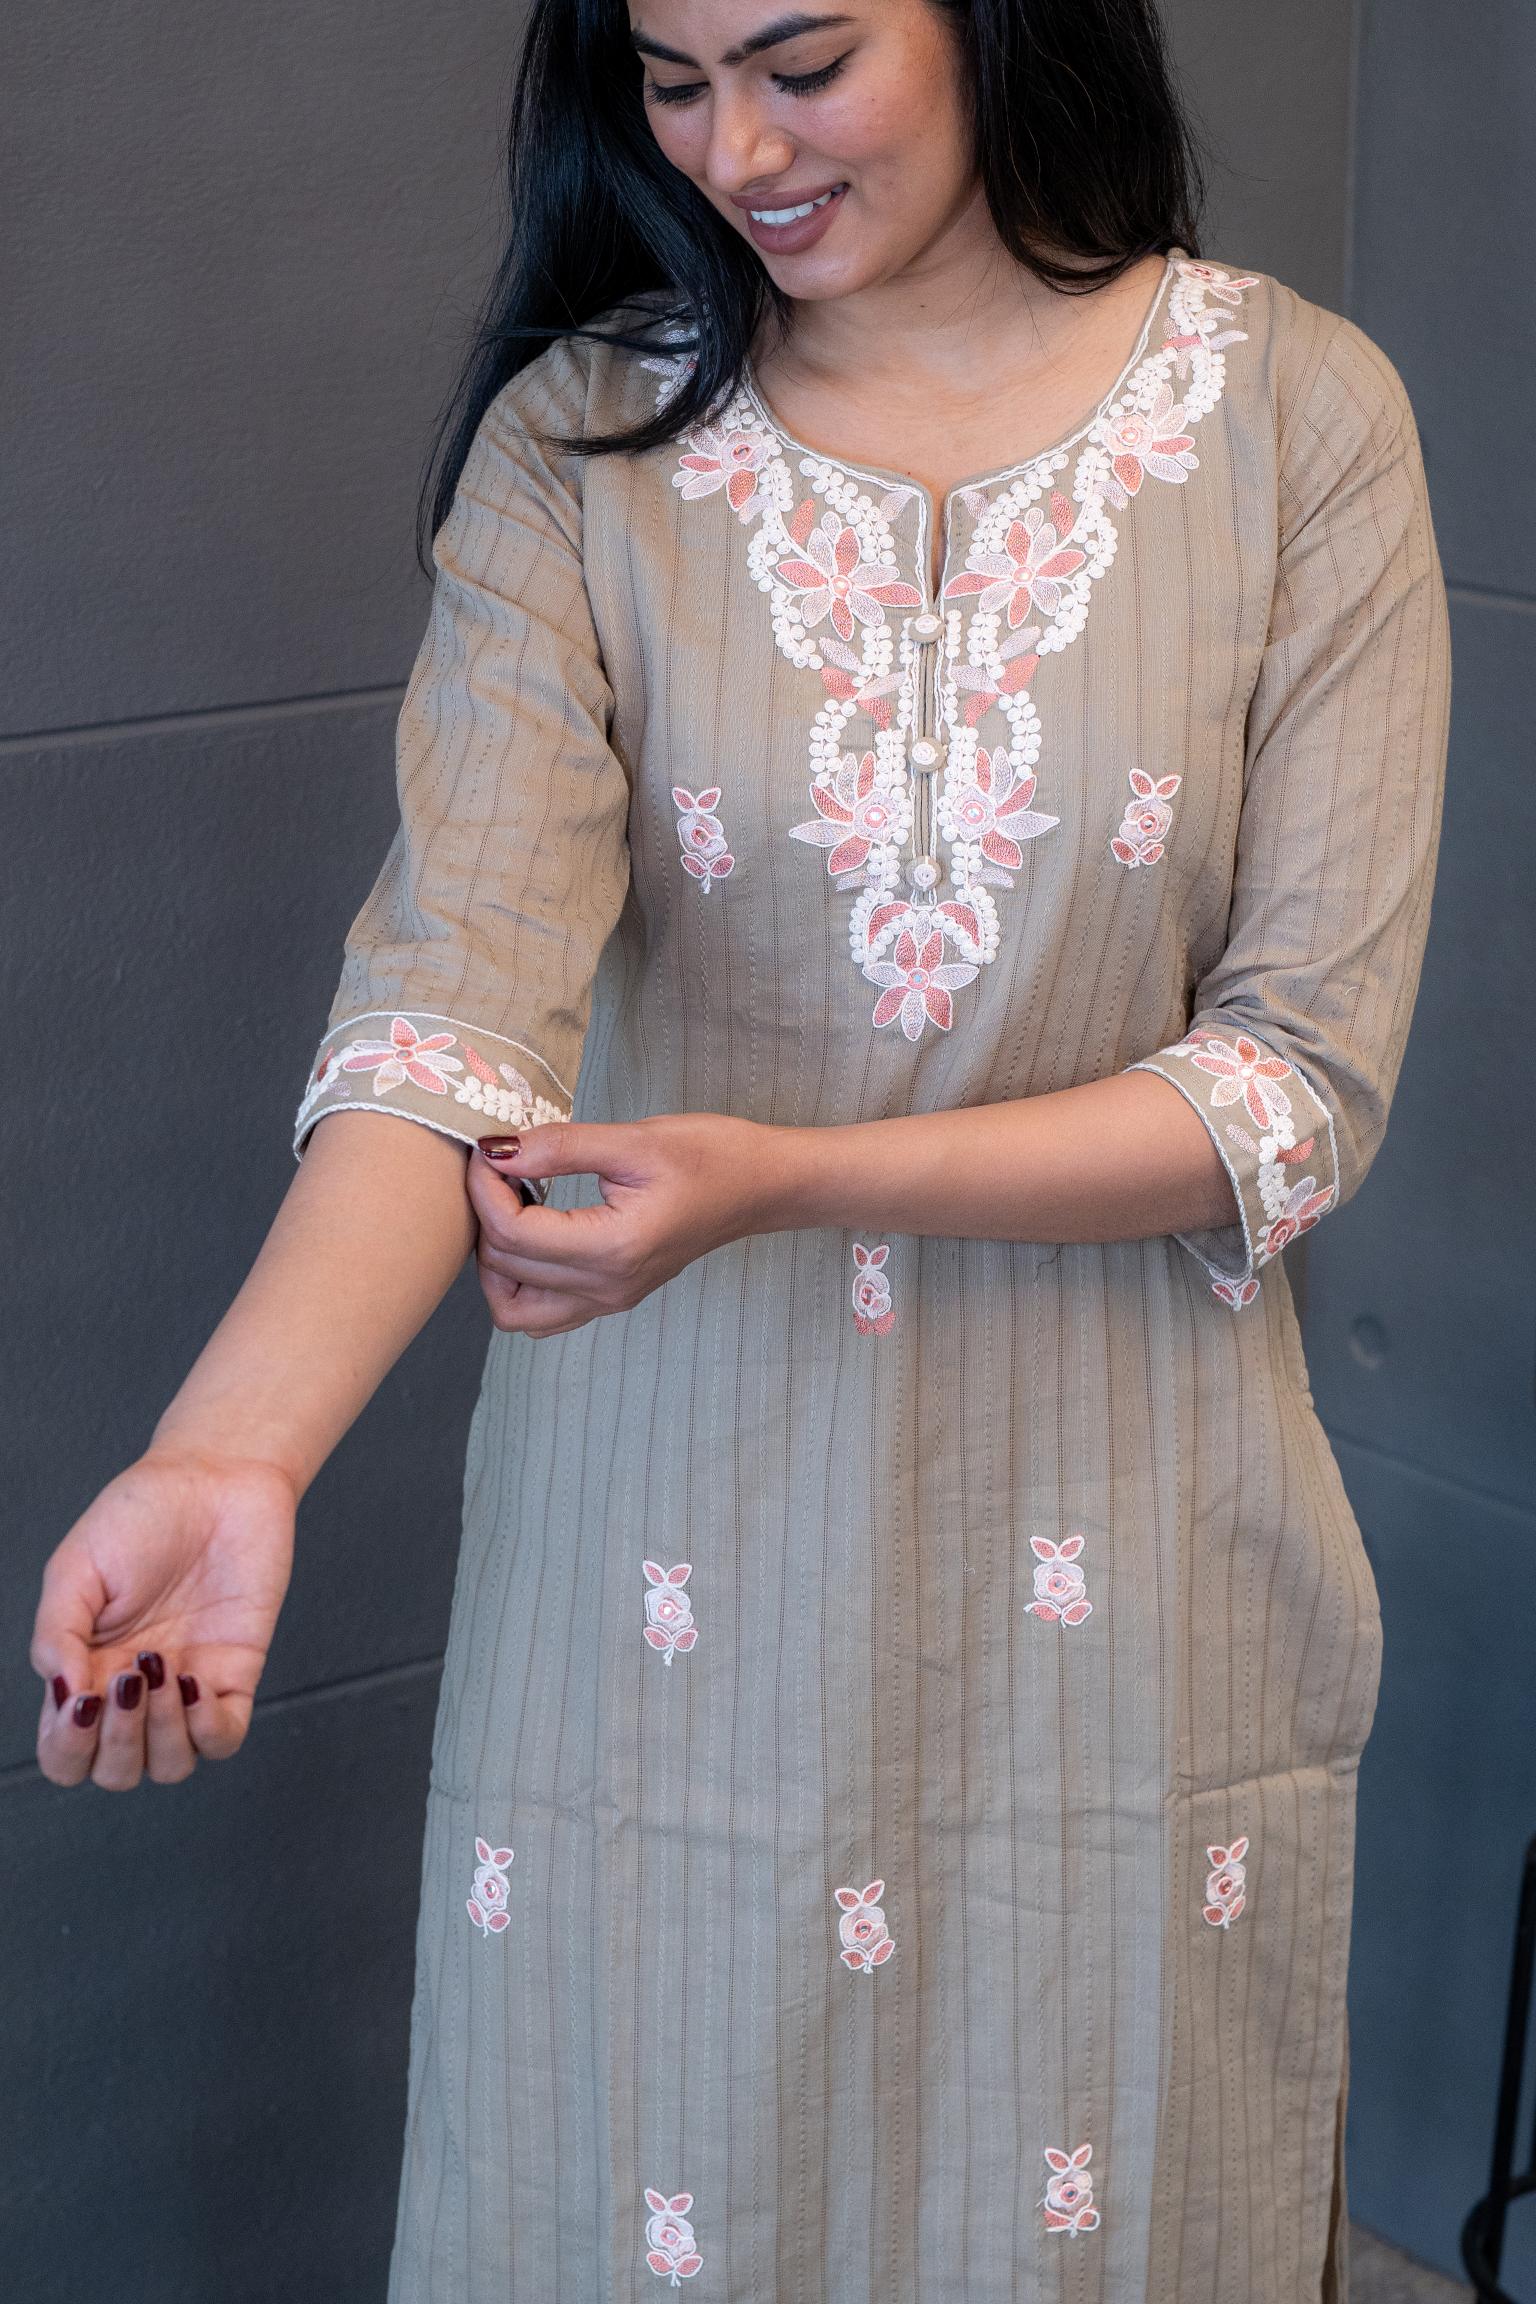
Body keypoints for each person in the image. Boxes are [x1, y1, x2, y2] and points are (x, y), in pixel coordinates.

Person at [30, 1, 1451, 2297]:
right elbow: (450, 1018)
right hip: (670, 1585)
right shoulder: (579, 450)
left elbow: (1296, 1085)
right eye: (672, 80)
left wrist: (796, 1175)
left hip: (1126, 1579)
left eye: (802, 58)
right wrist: (236, 1452)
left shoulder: (1297, 420)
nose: (735, 147)